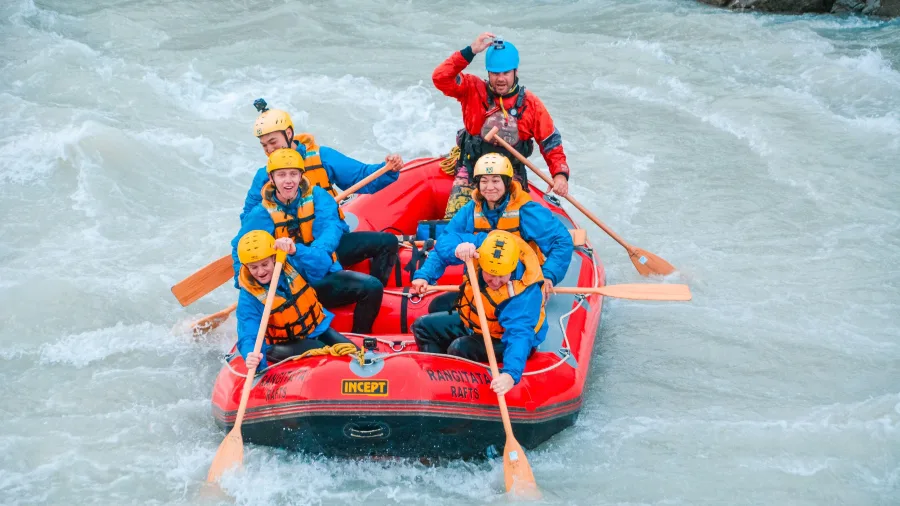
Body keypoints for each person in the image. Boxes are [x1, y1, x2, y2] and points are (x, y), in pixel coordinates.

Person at [245, 100, 401, 285]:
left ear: (288, 134)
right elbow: (250, 220)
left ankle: (376, 294)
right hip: (293, 254)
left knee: (387, 242)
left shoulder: (321, 157)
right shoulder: (265, 176)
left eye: (273, 142)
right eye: (264, 146)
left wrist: (389, 169)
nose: (270, 150)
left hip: (329, 242)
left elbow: (361, 177)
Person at [233, 148, 383, 334]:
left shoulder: (318, 196)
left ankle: (361, 337)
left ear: (301, 176)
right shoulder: (261, 214)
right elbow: (240, 249)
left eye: (293, 174)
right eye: (281, 175)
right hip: (291, 285)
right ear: (272, 179)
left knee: (373, 286)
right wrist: (248, 286)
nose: (288, 180)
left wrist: (304, 252)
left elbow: (331, 230)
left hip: (319, 270)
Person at [432, 33, 571, 218]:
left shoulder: (530, 104)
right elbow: (440, 77)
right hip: (472, 169)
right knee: (455, 223)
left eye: (506, 73)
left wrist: (560, 174)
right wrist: (470, 51)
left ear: (515, 72)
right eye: (495, 73)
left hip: (510, 175)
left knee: (511, 230)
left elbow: (550, 142)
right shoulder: (472, 88)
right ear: (488, 73)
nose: (500, 79)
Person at [410, 153, 572, 306]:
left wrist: (548, 276)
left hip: (519, 285)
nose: (489, 187)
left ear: (506, 183)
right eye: (484, 181)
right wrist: (424, 275)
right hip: (483, 283)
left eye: (496, 181)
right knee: (437, 306)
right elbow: (444, 245)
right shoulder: (470, 210)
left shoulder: (526, 210)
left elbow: (561, 241)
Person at [411, 230, 547, 395]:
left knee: (460, 348)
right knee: (423, 326)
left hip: (503, 338)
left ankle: (456, 393)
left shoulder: (524, 293)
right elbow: (445, 244)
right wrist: (428, 273)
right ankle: (433, 382)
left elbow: (520, 334)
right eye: (490, 275)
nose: (496, 282)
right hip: (478, 323)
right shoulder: (480, 247)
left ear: (512, 268)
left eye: (502, 276)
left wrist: (511, 374)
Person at [235, 230, 354, 371]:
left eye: (264, 264)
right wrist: (253, 356)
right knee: (323, 352)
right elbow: (248, 333)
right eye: (254, 267)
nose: (260, 272)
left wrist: (296, 250)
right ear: (246, 266)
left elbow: (323, 265)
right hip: (282, 344)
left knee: (353, 352)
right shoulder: (248, 297)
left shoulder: (291, 263)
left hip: (314, 329)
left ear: (274, 258)